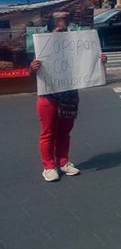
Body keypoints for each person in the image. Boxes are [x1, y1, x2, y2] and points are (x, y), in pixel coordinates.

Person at [29, 11, 107, 182]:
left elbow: (87, 63)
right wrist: (32, 67)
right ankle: (49, 166)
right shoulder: (41, 47)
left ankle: (63, 161)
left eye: (64, 31)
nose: (61, 35)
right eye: (58, 31)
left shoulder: (75, 46)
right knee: (48, 132)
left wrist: (99, 61)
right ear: (50, 31)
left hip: (70, 95)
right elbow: (30, 74)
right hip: (48, 96)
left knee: (65, 132)